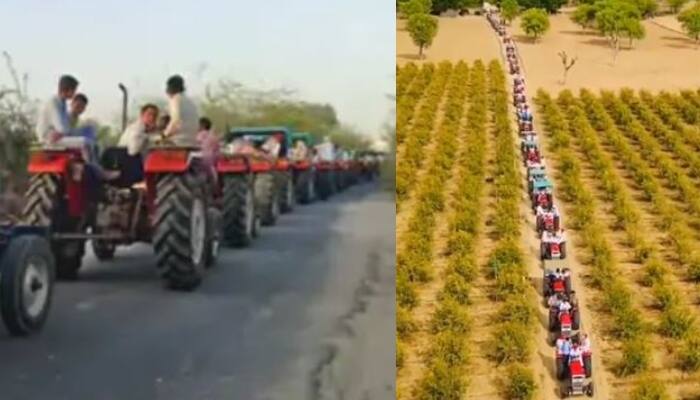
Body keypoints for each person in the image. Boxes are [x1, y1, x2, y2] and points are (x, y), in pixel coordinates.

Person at [36, 74, 78, 144]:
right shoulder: (53, 102)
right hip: (47, 137)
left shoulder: (63, 102)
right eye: (73, 90)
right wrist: (69, 131)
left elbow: (65, 126)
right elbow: (61, 128)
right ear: (66, 89)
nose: (74, 93)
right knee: (81, 142)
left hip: (57, 135)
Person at [162, 75, 199, 146]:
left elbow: (175, 122)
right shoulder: (190, 102)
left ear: (170, 88)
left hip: (178, 141)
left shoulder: (175, 99)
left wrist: (164, 135)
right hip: (192, 141)